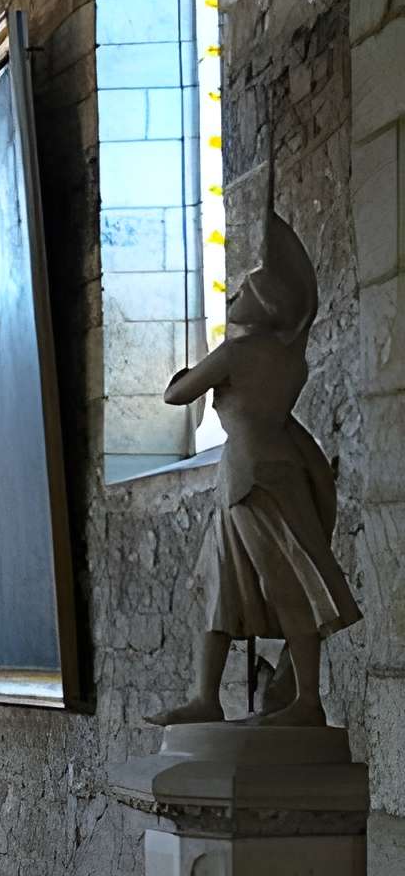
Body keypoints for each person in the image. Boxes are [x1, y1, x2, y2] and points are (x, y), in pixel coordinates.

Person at [154, 196, 359, 728]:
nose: (235, 294)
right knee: (226, 581)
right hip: (260, 471)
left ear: (264, 307)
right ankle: (206, 697)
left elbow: (178, 395)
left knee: (284, 580)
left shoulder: (237, 353)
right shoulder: (292, 360)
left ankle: (307, 702)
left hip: (251, 477)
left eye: (244, 289)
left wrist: (185, 372)